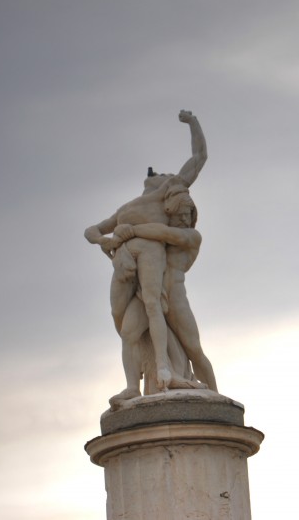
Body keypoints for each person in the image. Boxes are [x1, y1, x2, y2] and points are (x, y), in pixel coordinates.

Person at [83, 110, 209, 396]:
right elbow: (92, 230)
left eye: (165, 174)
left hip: (150, 258)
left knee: (153, 307)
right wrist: (105, 242)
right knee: (124, 325)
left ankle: (165, 367)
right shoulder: (126, 209)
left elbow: (199, 158)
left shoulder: (165, 193)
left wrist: (193, 122)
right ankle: (132, 386)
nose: (160, 174)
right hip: (124, 263)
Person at [108, 187, 217, 406]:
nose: (184, 218)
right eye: (179, 214)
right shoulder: (154, 238)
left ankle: (215, 395)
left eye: (188, 213)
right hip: (150, 295)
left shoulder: (191, 236)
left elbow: (165, 233)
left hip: (175, 298)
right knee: (129, 333)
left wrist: (129, 230)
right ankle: (132, 387)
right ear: (169, 213)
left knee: (194, 350)